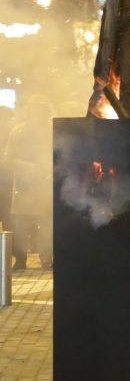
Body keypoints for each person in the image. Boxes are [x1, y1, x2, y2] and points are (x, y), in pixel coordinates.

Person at [4, 95, 54, 269]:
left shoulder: (51, 130)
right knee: (20, 225)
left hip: (45, 185)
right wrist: (30, 167)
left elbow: (59, 154)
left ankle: (46, 257)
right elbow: (8, 159)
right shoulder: (18, 131)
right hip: (23, 186)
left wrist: (48, 165)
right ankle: (20, 259)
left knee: (46, 223)